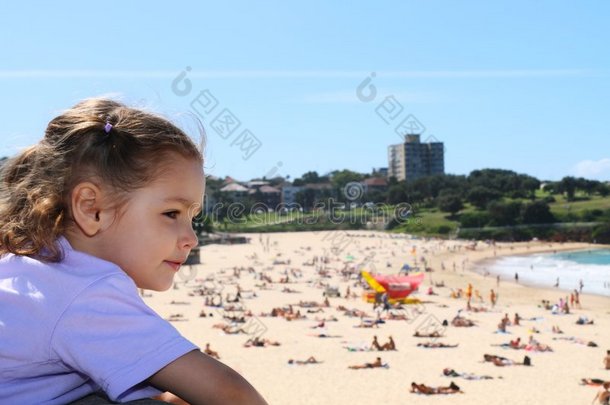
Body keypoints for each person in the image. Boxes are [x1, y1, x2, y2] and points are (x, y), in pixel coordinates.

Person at [0, 99, 267, 405]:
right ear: (92, 209)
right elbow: (233, 395)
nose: (191, 238)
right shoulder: (88, 292)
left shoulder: (27, 266)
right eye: (171, 214)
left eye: (192, 218)